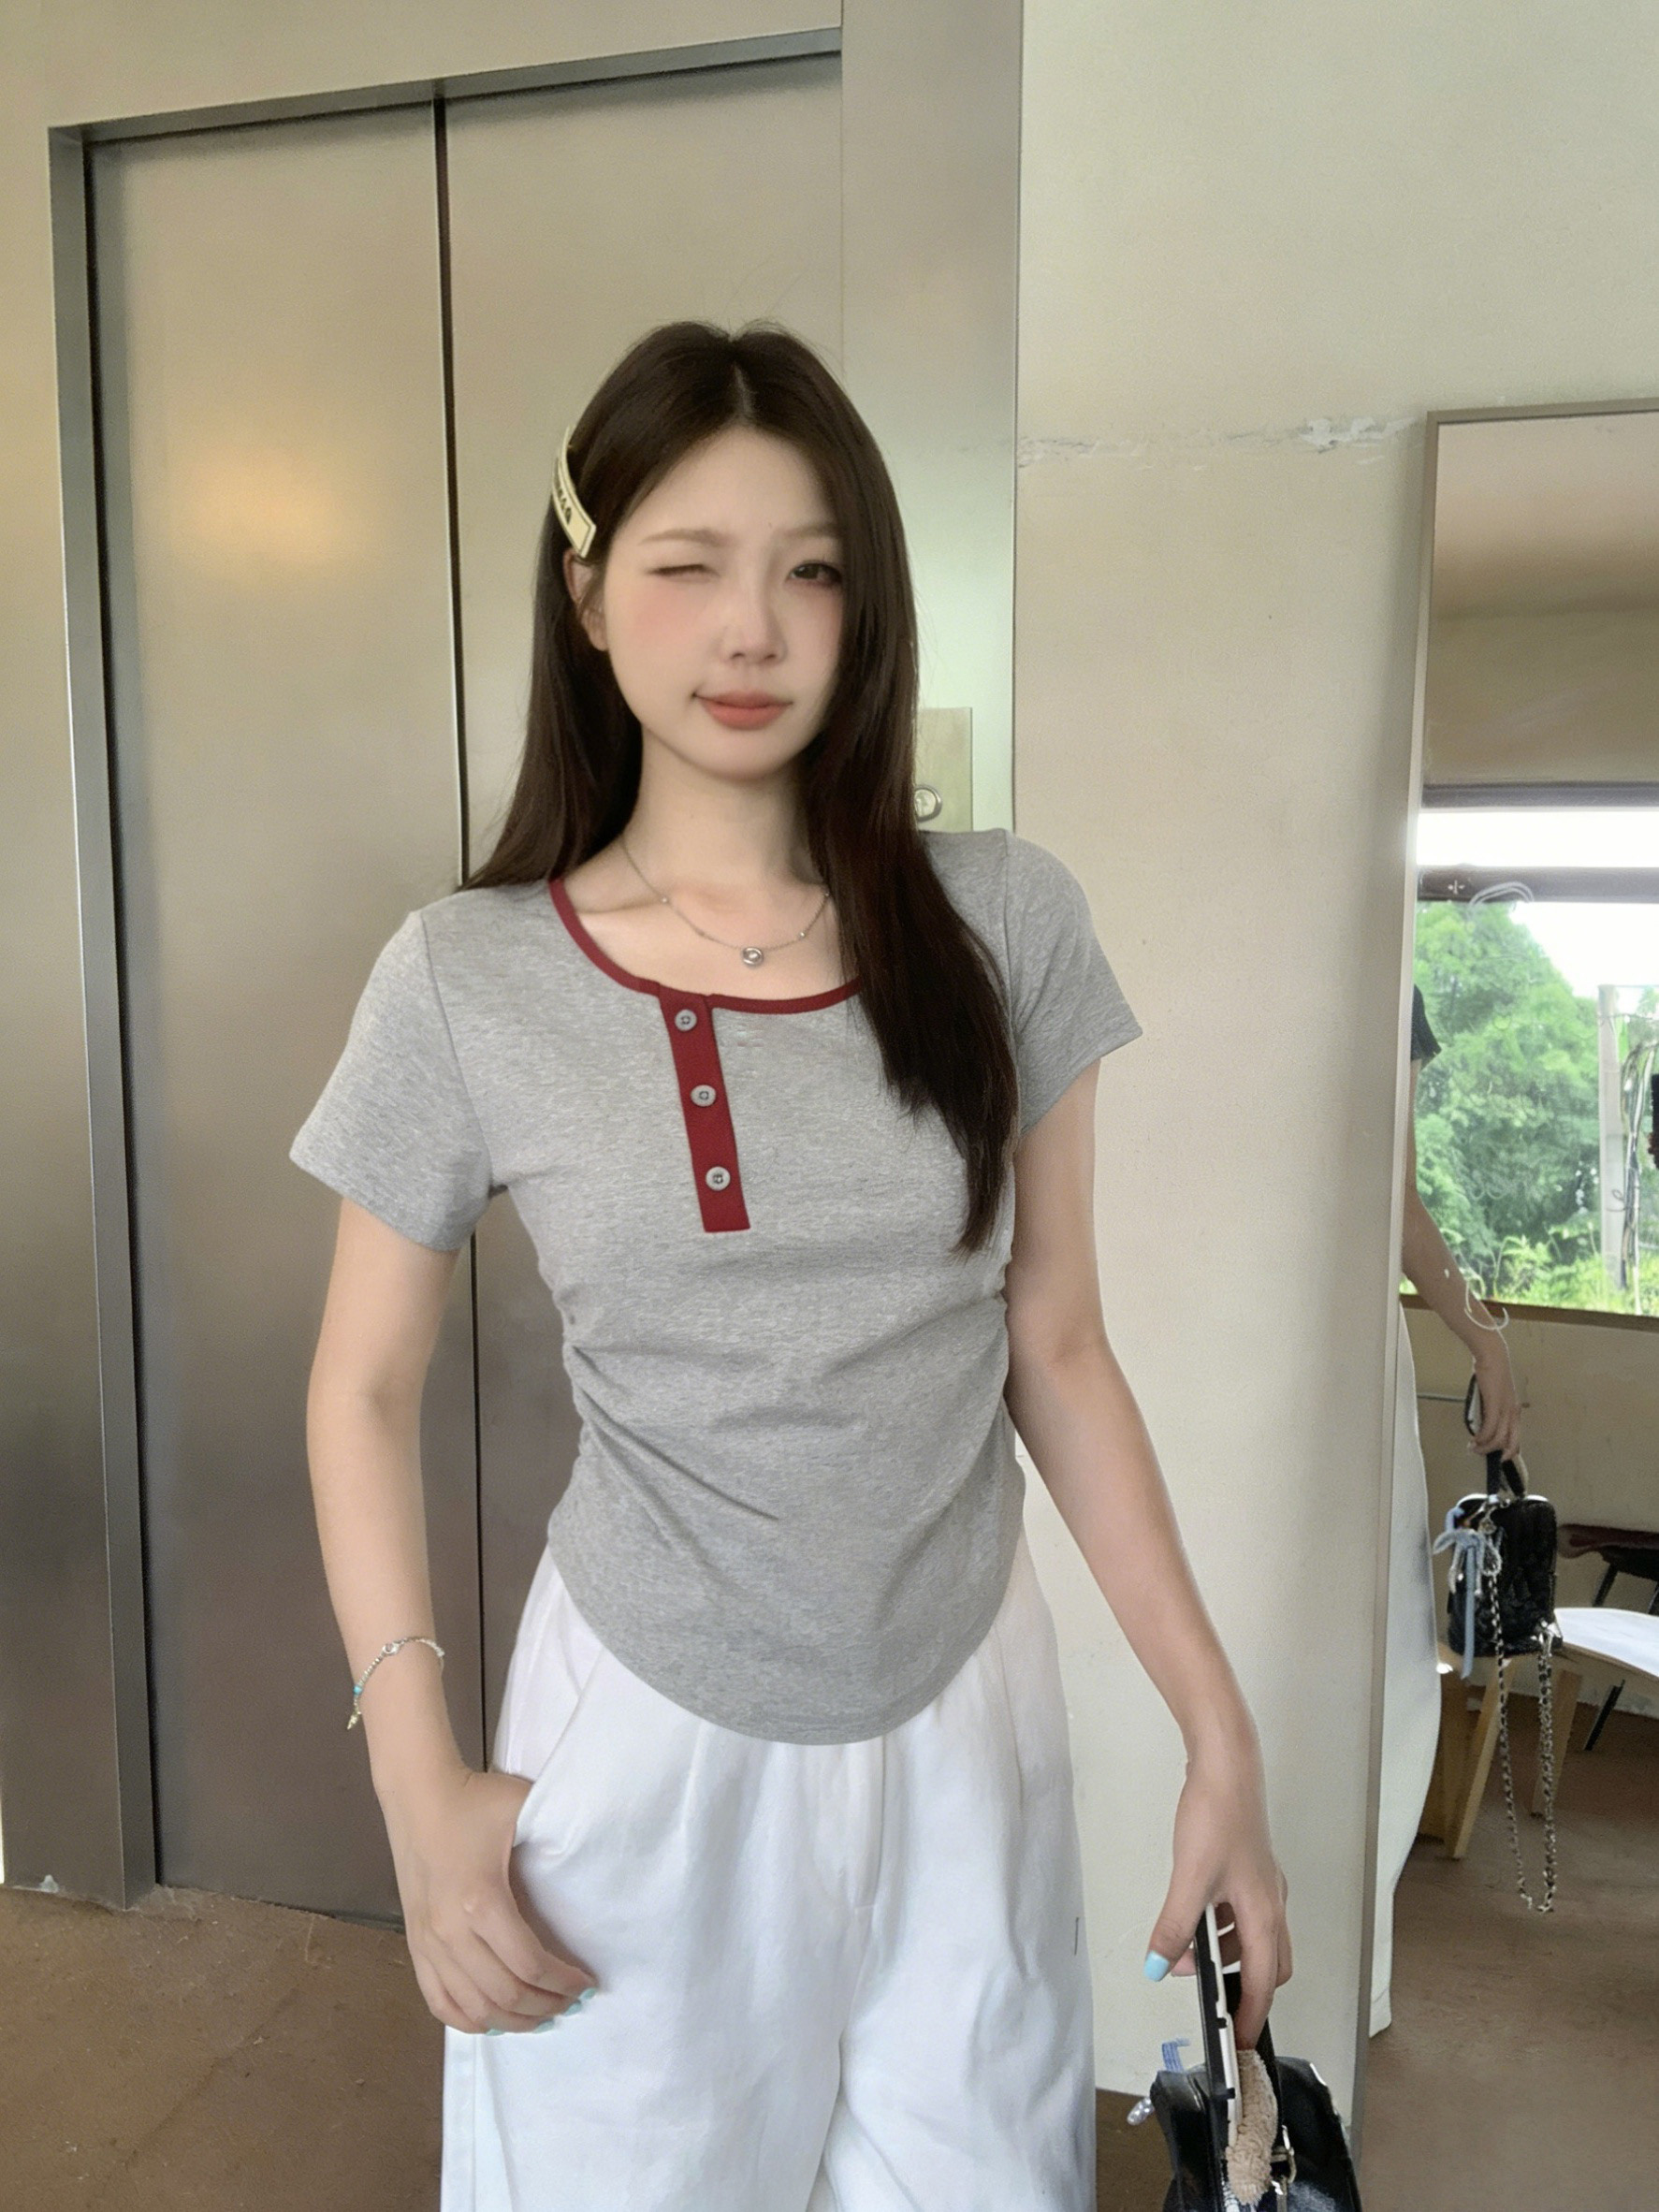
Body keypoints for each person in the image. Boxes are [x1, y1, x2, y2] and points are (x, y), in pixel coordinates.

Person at [290, 320, 1290, 2212]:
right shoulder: (466, 975)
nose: (750, 629)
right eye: (687, 566)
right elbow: (358, 1384)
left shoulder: (1003, 919)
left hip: (964, 1710)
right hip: (645, 1721)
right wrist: (415, 1776)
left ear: (866, 604)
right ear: (585, 593)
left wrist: (1214, 1727)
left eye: (810, 570)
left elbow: (1057, 1345)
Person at [1371, 982, 1522, 2035]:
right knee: (1383, 1663)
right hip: (1326, 1349)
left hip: (1174, 1329)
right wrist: (1485, 1338)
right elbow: (1396, 1193)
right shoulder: (1382, 972)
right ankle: (1342, 1973)